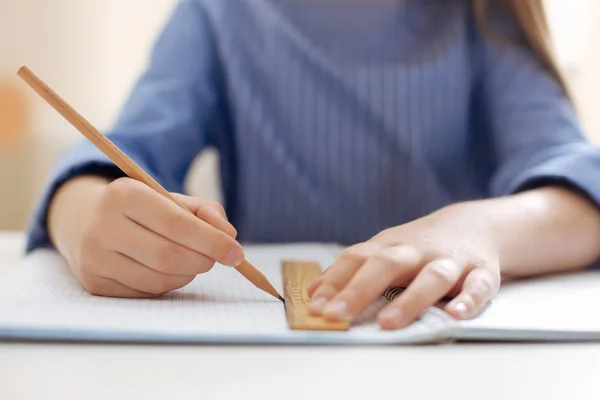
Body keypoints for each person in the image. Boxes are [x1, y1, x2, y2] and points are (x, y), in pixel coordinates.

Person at [26, 0, 600, 330]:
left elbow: (580, 191)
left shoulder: (483, 14)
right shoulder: (219, 14)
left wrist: (478, 233)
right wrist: (83, 220)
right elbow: (116, 155)